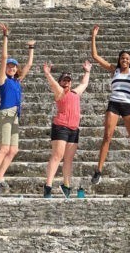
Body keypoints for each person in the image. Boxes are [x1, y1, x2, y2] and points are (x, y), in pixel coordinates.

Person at [90, 25, 130, 186]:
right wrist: (94, 36)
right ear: (119, 60)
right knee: (107, 137)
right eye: (122, 58)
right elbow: (95, 56)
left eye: (127, 58)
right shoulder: (114, 70)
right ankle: (98, 171)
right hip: (114, 104)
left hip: (127, 105)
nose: (125, 60)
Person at [0, 23, 34, 196]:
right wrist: (5, 36)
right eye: (9, 67)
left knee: (13, 150)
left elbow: (28, 65)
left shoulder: (16, 81)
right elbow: (4, 57)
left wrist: (31, 48)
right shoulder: (3, 80)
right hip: (5, 114)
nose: (12, 68)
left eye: (14, 67)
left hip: (15, 116)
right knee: (4, 149)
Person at [42, 60, 92, 198]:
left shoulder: (75, 93)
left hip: (74, 129)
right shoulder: (59, 92)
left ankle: (66, 184)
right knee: (57, 156)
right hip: (61, 127)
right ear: (60, 82)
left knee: (69, 159)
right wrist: (47, 73)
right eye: (64, 80)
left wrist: (87, 71)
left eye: (68, 81)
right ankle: (48, 186)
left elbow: (84, 84)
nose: (67, 83)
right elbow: (53, 84)